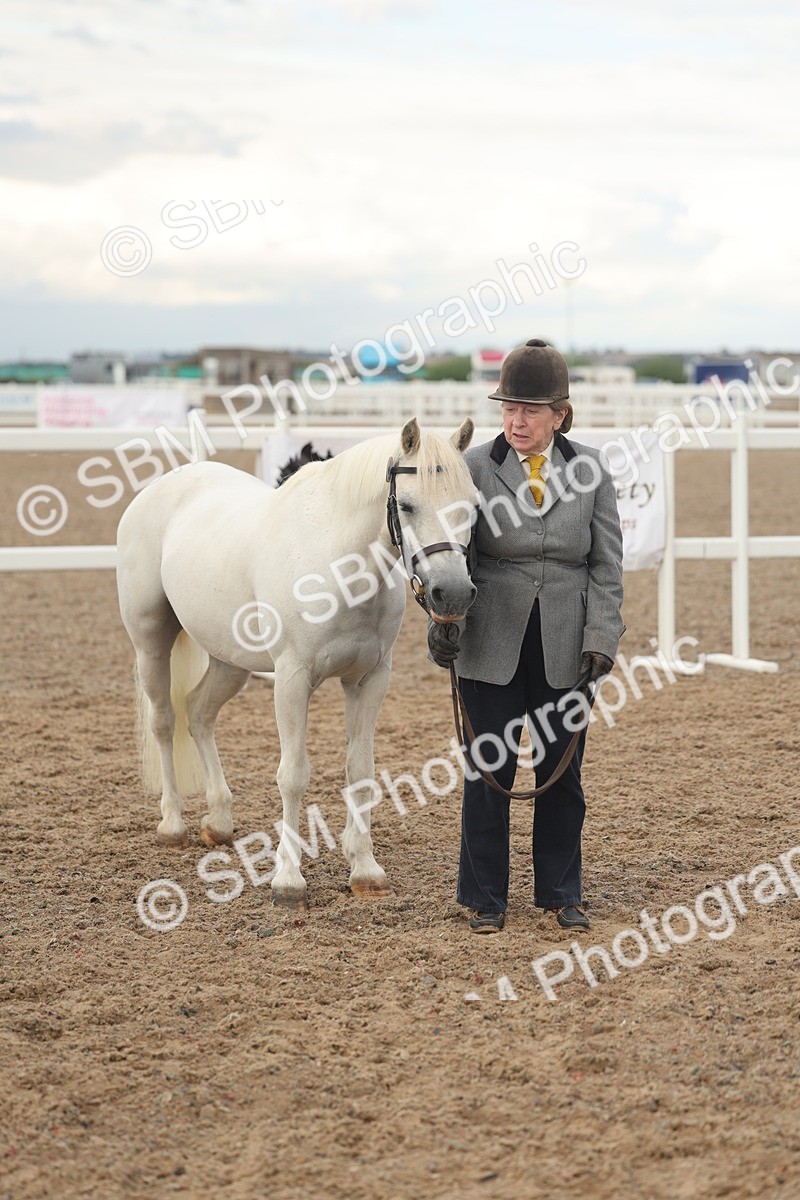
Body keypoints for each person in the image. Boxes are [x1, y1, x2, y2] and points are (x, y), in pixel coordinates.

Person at [428, 339, 624, 934]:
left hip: (567, 642)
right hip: (490, 639)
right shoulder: (475, 469)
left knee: (561, 775)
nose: (516, 420)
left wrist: (602, 637)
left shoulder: (590, 470)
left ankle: (563, 892)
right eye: (509, 408)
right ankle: (486, 898)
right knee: (489, 773)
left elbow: (607, 566)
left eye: (530, 410)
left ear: (560, 414)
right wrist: (444, 625)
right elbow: (449, 557)